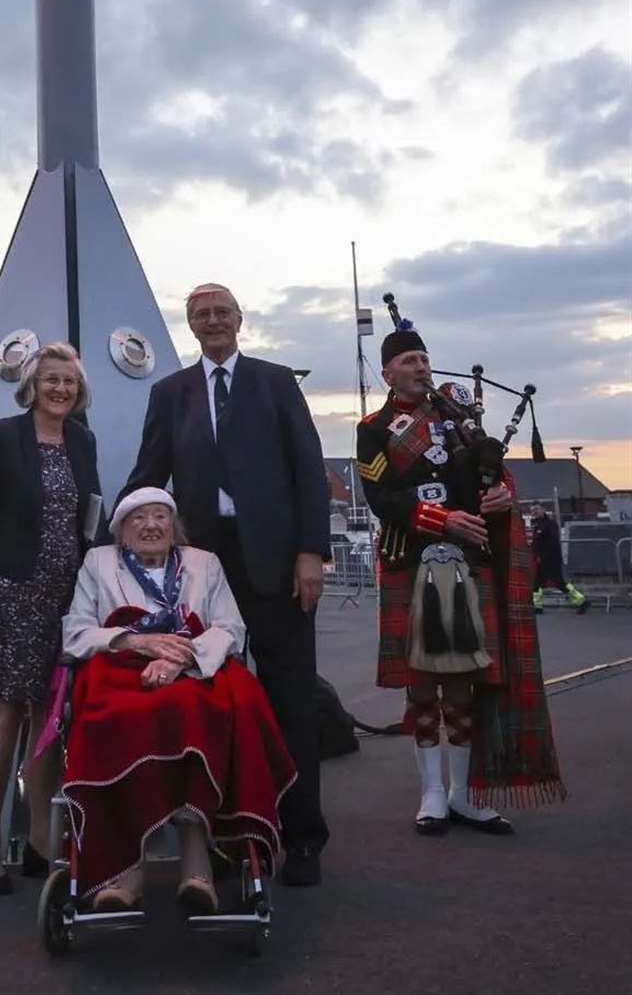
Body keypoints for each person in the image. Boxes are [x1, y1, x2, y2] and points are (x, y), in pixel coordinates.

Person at [117, 283, 330, 886]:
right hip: (204, 574)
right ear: (190, 326)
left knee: (292, 702)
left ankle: (305, 836)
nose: (212, 321)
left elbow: (309, 470)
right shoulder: (171, 393)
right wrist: (110, 544)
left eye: (221, 312)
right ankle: (229, 837)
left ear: (240, 320)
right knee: (215, 701)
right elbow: (148, 475)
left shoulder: (276, 382)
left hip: (280, 567)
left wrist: (311, 551)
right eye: (200, 315)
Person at [357, 316, 565, 839]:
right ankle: (431, 793)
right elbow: (383, 501)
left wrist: (500, 495)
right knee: (424, 681)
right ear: (387, 374)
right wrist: (442, 519)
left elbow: (487, 474)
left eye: (424, 359)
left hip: (470, 560)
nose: (421, 367)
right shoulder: (373, 431)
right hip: (413, 560)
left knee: (467, 681)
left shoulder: (457, 419)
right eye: (409, 361)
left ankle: (464, 795)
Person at [61, 488, 295, 910]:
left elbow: (230, 628)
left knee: (201, 709)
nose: (150, 526)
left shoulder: (204, 563)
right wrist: (140, 642)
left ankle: (196, 861)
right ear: (121, 531)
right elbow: (76, 633)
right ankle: (127, 869)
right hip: (122, 668)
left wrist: (179, 660)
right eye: (138, 519)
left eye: (159, 517)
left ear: (174, 526)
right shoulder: (99, 563)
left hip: (194, 669)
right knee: (118, 716)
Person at [0, 342, 101, 896]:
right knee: (5, 719)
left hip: (67, 600)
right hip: (11, 597)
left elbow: (92, 519)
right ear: (32, 385)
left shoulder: (83, 441)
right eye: (51, 380)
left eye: (69, 382)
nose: (60, 389)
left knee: (50, 722)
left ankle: (41, 838)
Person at [528, 504, 588, 614]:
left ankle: (582, 601)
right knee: (537, 584)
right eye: (532, 510)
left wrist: (544, 557)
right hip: (541, 560)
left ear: (543, 509)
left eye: (536, 509)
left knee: (559, 583)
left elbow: (552, 543)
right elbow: (537, 543)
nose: (534, 512)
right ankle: (538, 607)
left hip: (551, 560)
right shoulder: (537, 525)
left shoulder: (550, 524)